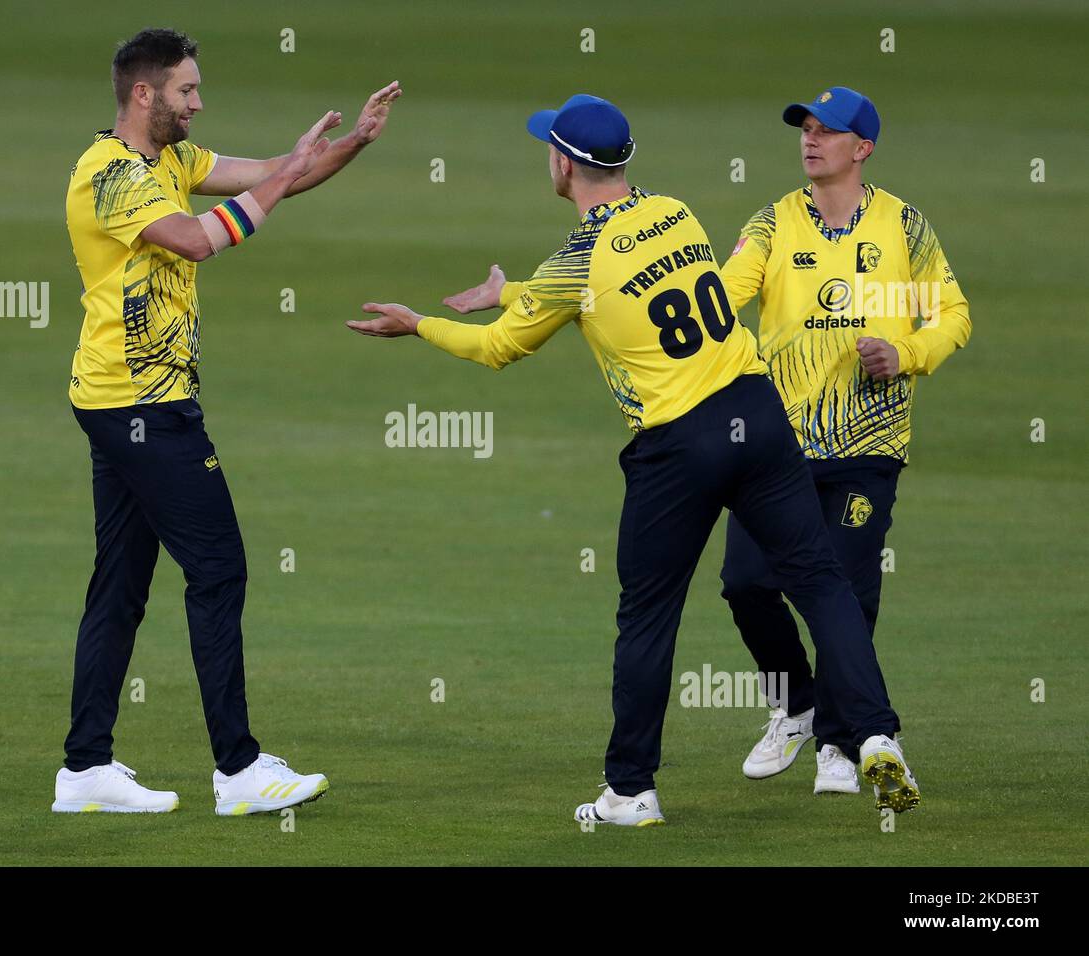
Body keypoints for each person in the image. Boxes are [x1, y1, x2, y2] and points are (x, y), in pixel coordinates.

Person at [346, 94, 918, 824]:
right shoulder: (673, 212)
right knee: (821, 581)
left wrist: (417, 324)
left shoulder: (576, 259)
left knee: (647, 616)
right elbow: (624, 293)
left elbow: (501, 347)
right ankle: (874, 733)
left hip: (680, 447)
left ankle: (630, 790)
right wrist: (514, 292)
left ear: (565, 164)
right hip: (759, 413)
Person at [55, 27, 400, 815]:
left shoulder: (172, 159)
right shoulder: (108, 176)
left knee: (120, 585)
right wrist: (284, 178)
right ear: (144, 94)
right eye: (187, 90)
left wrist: (350, 144)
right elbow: (198, 239)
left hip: (127, 399)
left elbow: (278, 175)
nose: (199, 102)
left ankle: (83, 771)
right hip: (142, 407)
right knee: (219, 570)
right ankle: (238, 770)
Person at [720, 86, 970, 798]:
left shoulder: (903, 228)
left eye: (828, 132)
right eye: (805, 127)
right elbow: (719, 293)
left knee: (846, 593)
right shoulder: (771, 225)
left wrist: (905, 354)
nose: (809, 139)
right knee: (745, 584)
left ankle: (839, 742)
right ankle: (795, 704)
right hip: (775, 444)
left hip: (869, 440)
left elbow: (951, 314)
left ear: (862, 148)